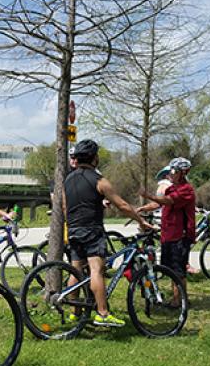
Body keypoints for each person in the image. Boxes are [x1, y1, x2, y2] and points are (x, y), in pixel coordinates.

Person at [63, 139, 154, 327]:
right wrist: (141, 221)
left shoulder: (68, 179)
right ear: (94, 158)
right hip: (92, 229)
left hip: (73, 228)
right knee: (97, 270)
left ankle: (75, 312)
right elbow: (122, 205)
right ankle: (103, 313)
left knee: (76, 269)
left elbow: (65, 206)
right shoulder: (99, 180)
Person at [141, 157, 196, 306]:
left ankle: (180, 300)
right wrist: (143, 208)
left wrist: (148, 195)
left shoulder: (186, 190)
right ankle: (176, 298)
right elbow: (161, 202)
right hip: (168, 235)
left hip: (180, 236)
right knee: (169, 268)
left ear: (183, 173)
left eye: (174, 171)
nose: (170, 174)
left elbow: (169, 201)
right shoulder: (172, 188)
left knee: (178, 270)